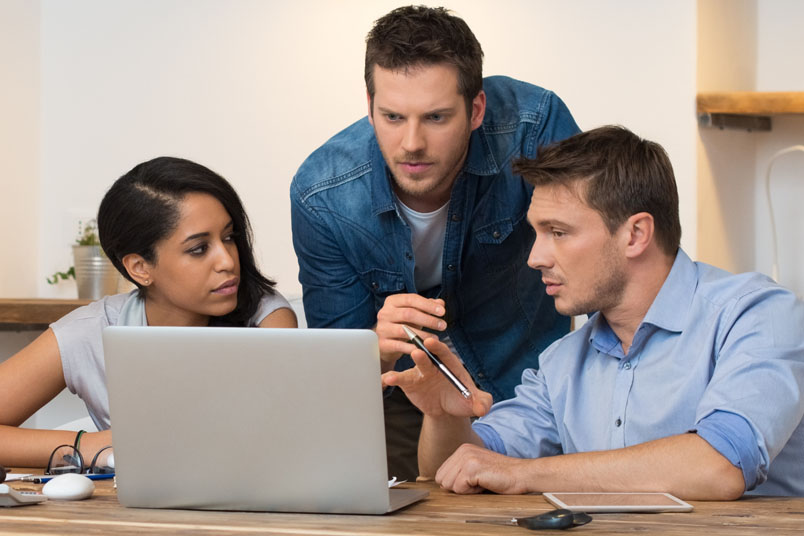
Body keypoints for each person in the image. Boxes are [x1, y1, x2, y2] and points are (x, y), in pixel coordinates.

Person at [383, 125, 804, 499]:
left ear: (636, 234)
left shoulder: (757, 315)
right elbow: (460, 468)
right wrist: (443, 417)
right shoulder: (561, 363)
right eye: (537, 232)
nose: (535, 257)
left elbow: (719, 466)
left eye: (558, 233)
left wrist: (526, 474)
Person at [290, 5, 580, 479]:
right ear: (369, 105)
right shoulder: (321, 195)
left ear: (476, 110)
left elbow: (594, 254)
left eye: (436, 117)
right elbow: (335, 376)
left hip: (532, 385)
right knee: (419, 511)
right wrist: (373, 349)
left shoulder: (532, 126)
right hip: (412, 399)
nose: (411, 143)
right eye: (391, 116)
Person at [0, 156, 297, 469]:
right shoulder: (89, 332)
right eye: (198, 249)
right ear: (140, 268)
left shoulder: (266, 317)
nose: (227, 261)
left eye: (228, 237)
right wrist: (84, 445)